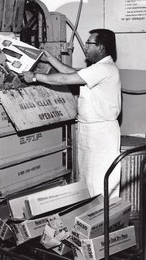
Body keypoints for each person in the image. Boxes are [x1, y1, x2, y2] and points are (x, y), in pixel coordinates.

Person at [23, 29, 121, 198]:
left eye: (89, 43)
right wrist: (50, 59)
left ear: (101, 47)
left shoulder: (105, 69)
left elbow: (66, 79)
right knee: (87, 183)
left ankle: (104, 221)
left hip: (101, 136)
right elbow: (72, 73)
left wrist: (34, 77)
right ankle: (91, 221)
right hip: (90, 133)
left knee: (100, 185)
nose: (85, 46)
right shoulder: (99, 68)